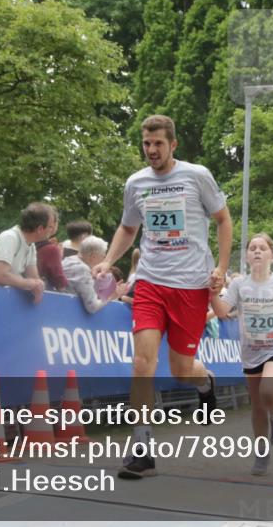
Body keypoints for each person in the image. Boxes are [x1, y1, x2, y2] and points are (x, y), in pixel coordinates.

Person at [91, 114, 232, 480]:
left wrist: (221, 268)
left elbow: (223, 219)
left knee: (182, 370)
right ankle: (142, 448)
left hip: (190, 286)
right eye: (146, 144)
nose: (152, 150)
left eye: (158, 144)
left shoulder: (196, 175)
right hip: (151, 282)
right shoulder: (136, 183)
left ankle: (206, 383)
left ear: (173, 145)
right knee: (142, 363)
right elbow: (127, 227)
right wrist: (108, 261)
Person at [210, 233, 273, 476]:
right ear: (247, 256)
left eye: (262, 248)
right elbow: (221, 311)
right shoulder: (240, 285)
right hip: (251, 352)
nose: (257, 251)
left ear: (272, 255)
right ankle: (261, 453)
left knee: (268, 391)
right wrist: (212, 293)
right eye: (252, 248)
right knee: (258, 405)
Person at [0, 202, 54, 304]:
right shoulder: (10, 238)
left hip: (2, 300)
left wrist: (39, 286)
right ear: (40, 228)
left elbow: (34, 278)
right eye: (50, 227)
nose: (52, 230)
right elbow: (0, 275)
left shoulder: (31, 245)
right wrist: (30, 284)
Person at [63, 235, 127, 314]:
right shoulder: (83, 269)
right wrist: (112, 296)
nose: (104, 262)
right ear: (93, 256)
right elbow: (92, 307)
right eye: (103, 257)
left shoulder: (68, 259)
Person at [36, 207, 68, 290]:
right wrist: (59, 257)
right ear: (52, 224)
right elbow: (59, 282)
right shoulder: (51, 249)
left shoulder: (30, 243)